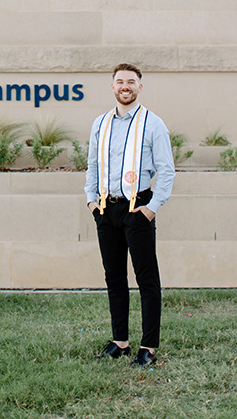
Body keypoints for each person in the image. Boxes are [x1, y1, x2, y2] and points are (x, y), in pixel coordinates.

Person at [85, 63, 175, 366]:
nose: (126, 86)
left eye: (131, 82)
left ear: (140, 87)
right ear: (113, 87)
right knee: (114, 278)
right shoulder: (100, 123)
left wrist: (151, 209)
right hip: (106, 209)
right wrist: (90, 201)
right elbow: (93, 166)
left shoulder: (153, 124)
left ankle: (148, 347)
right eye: (120, 81)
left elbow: (167, 170)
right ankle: (120, 341)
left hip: (138, 208)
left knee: (146, 278)